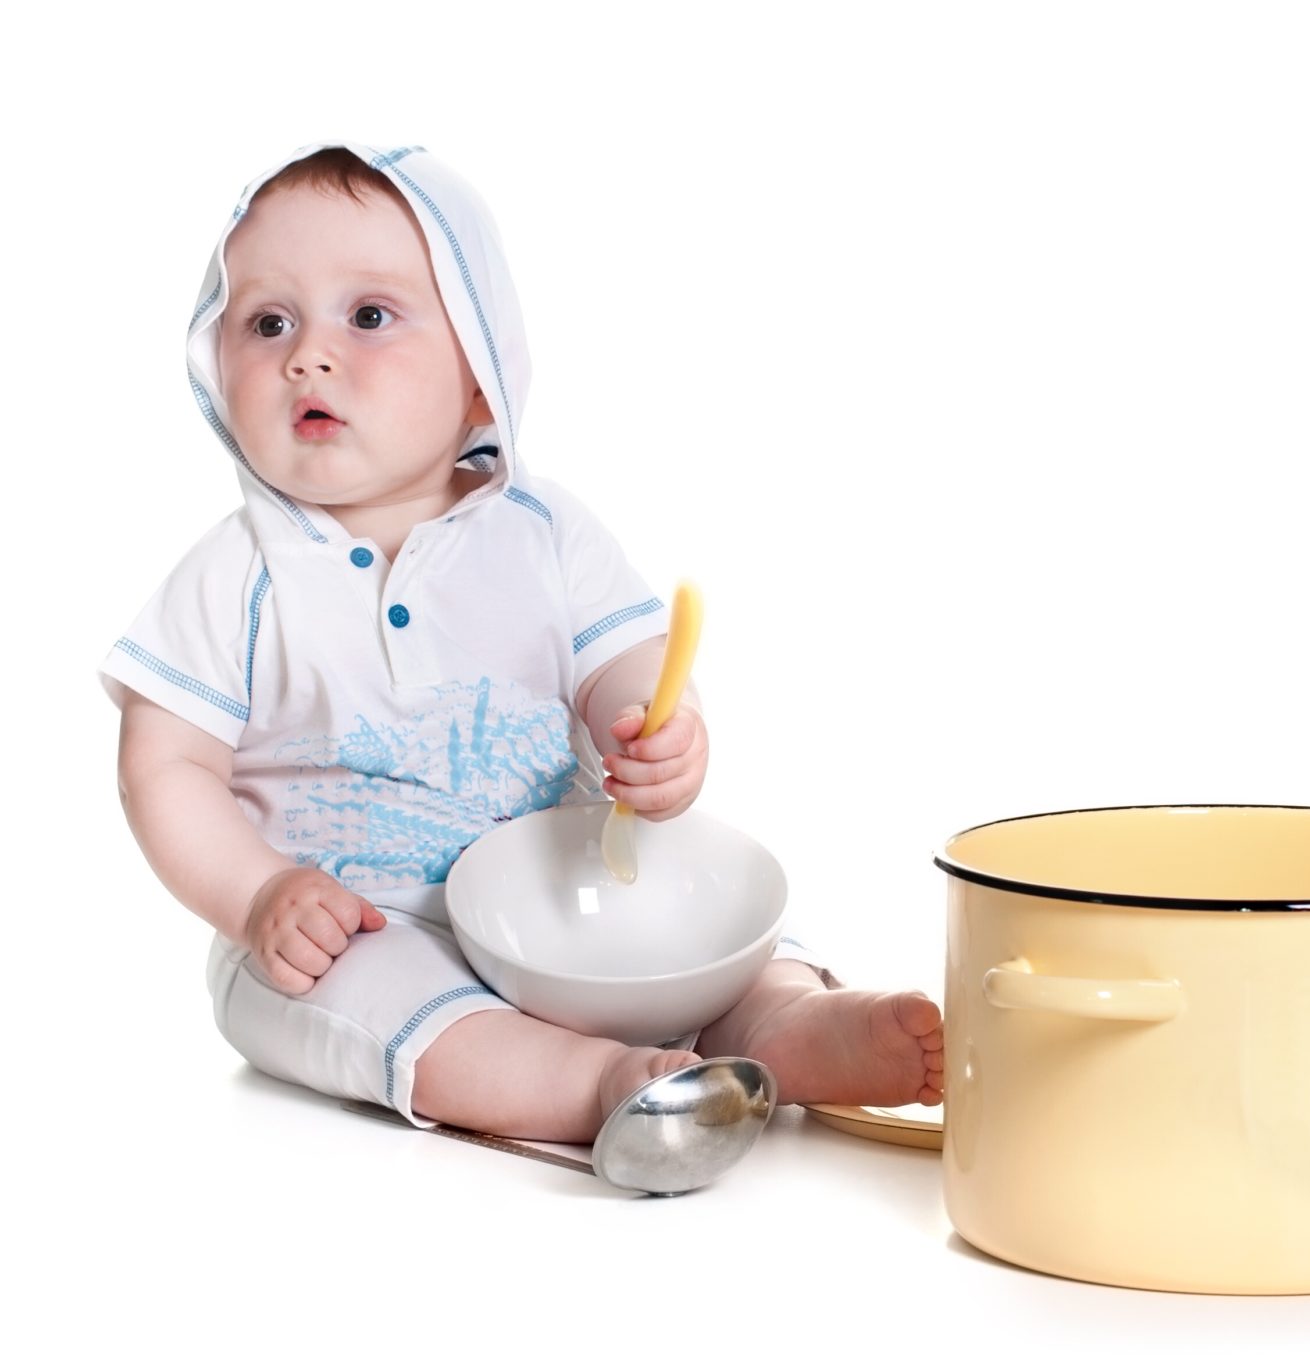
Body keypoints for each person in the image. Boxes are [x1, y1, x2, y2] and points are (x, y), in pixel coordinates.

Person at [103, 143, 943, 1143]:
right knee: (392, 1009)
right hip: (355, 922)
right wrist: (260, 897)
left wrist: (653, 731)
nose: (306, 355)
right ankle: (596, 1087)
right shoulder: (239, 569)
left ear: (478, 375)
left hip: (563, 898)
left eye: (367, 317)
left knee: (704, 936)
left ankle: (787, 1024)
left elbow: (625, 663)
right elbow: (165, 767)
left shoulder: (543, 530)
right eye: (266, 322)